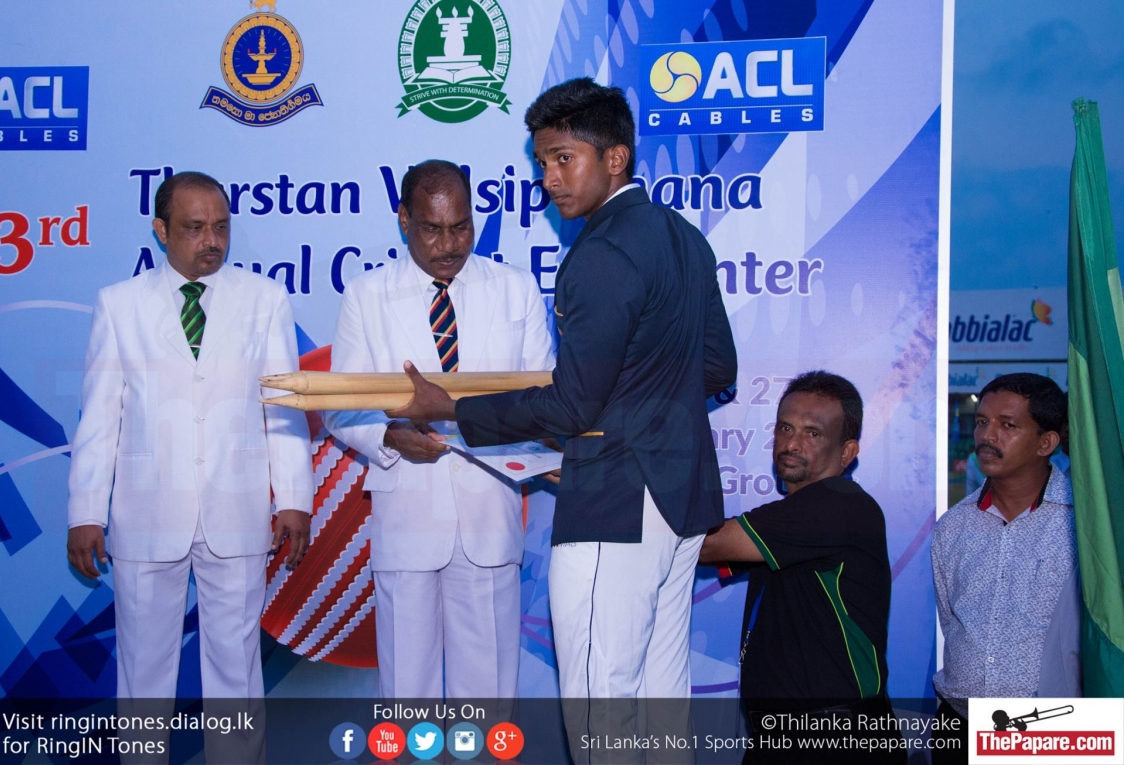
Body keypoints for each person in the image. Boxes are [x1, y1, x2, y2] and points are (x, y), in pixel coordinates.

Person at [389, 79, 737, 703]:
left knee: (600, 700)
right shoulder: (685, 235)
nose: (548, 178)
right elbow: (716, 367)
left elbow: (575, 404)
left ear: (615, 158)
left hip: (617, 501)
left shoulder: (601, 252)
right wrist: (642, 403)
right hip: (682, 497)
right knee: (661, 699)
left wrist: (453, 408)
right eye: (542, 161)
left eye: (563, 159)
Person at [66, 171, 313, 700]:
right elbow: (100, 418)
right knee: (143, 673)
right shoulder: (120, 304)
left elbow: (284, 407)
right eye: (195, 228)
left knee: (236, 672)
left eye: (221, 227)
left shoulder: (265, 299)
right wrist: (85, 511)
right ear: (161, 230)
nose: (212, 241)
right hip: (146, 512)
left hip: (238, 509)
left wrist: (294, 498)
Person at [324, 160, 554, 698]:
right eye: (432, 228)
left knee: (489, 695)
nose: (449, 245)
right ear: (404, 220)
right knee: (407, 692)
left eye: (461, 227)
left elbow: (543, 403)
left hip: (489, 515)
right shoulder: (366, 296)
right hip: (407, 514)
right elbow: (340, 408)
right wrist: (388, 437)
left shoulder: (516, 289)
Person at [699, 372, 901, 764]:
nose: (792, 443)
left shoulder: (840, 504)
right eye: (785, 428)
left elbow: (709, 545)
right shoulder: (793, 518)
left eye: (813, 433)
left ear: (846, 452)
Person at [931, 374, 1079, 762]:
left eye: (1007, 425)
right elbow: (951, 620)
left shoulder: (1082, 526)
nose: (986, 436)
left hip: (1052, 734)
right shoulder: (953, 527)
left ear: (1046, 443)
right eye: (982, 421)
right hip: (960, 729)